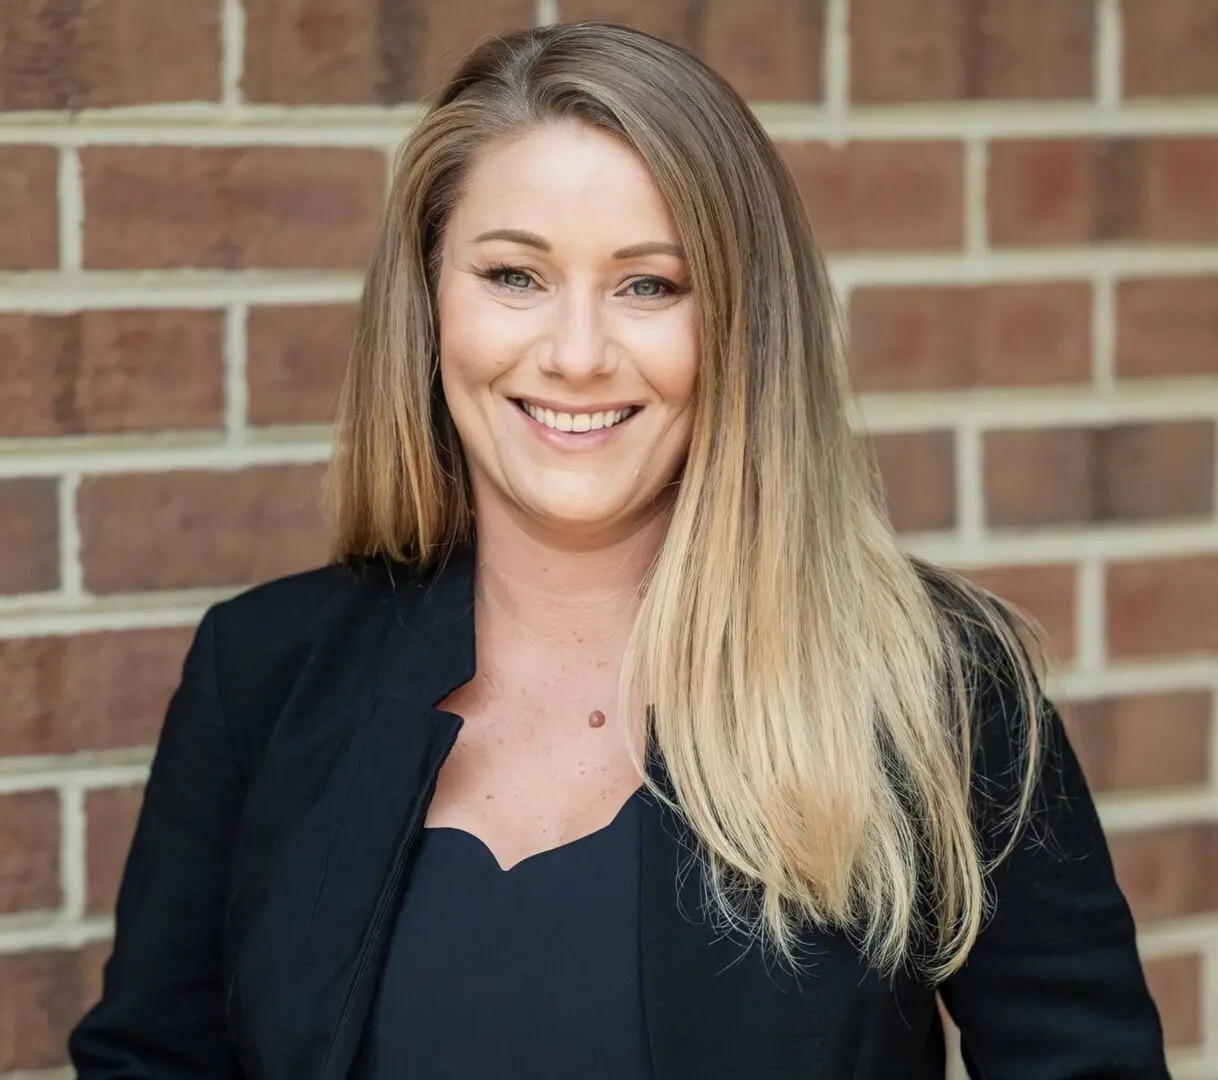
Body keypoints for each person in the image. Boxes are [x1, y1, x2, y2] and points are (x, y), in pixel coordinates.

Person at [69, 21, 1169, 1080]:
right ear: (430, 303)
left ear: (740, 322)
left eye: (650, 284)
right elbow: (151, 1061)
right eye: (515, 276)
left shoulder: (934, 683)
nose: (578, 353)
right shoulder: (261, 671)